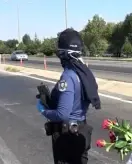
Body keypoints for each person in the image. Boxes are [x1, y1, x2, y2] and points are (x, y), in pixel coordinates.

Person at [36, 28, 101, 164]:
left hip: (67, 136)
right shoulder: (85, 73)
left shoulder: (68, 76)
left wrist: (44, 111)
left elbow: (62, 114)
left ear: (63, 54)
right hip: (82, 130)